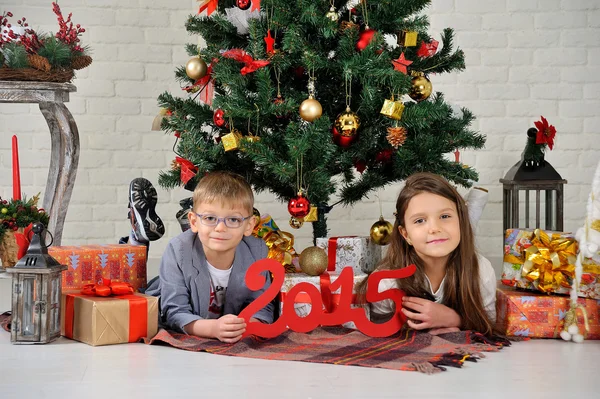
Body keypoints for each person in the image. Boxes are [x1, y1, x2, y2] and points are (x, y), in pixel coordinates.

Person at [357, 172, 497, 336]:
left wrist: (454, 319)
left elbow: (490, 323)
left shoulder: (480, 270)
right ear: (406, 235)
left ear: (461, 221)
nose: (434, 228)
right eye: (420, 221)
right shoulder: (387, 282)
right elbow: (372, 333)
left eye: (445, 216)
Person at [145, 171, 273, 343]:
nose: (220, 228)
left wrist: (244, 327)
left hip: (230, 322)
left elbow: (262, 304)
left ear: (249, 226)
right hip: (184, 315)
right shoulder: (179, 251)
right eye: (210, 218)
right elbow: (174, 311)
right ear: (193, 222)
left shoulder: (257, 252)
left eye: (233, 220)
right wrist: (212, 329)